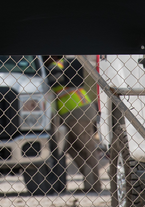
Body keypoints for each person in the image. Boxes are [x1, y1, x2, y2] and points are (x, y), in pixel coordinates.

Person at [45, 55, 102, 193]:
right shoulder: (64, 64)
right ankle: (89, 176)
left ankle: (95, 185)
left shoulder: (55, 67)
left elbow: (52, 84)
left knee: (87, 147)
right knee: (70, 147)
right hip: (74, 110)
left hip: (77, 110)